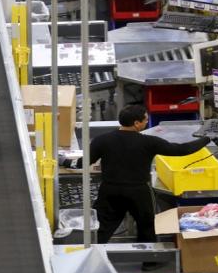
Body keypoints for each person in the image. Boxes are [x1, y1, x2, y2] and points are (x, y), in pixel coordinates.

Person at [87, 105, 210, 250]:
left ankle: (91, 253)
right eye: (145, 120)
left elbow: (85, 162)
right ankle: (150, 261)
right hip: (139, 191)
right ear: (136, 123)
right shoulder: (149, 142)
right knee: (146, 225)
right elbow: (181, 150)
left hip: (110, 189)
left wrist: (65, 161)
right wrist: (207, 138)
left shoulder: (102, 140)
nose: (146, 122)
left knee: (102, 224)